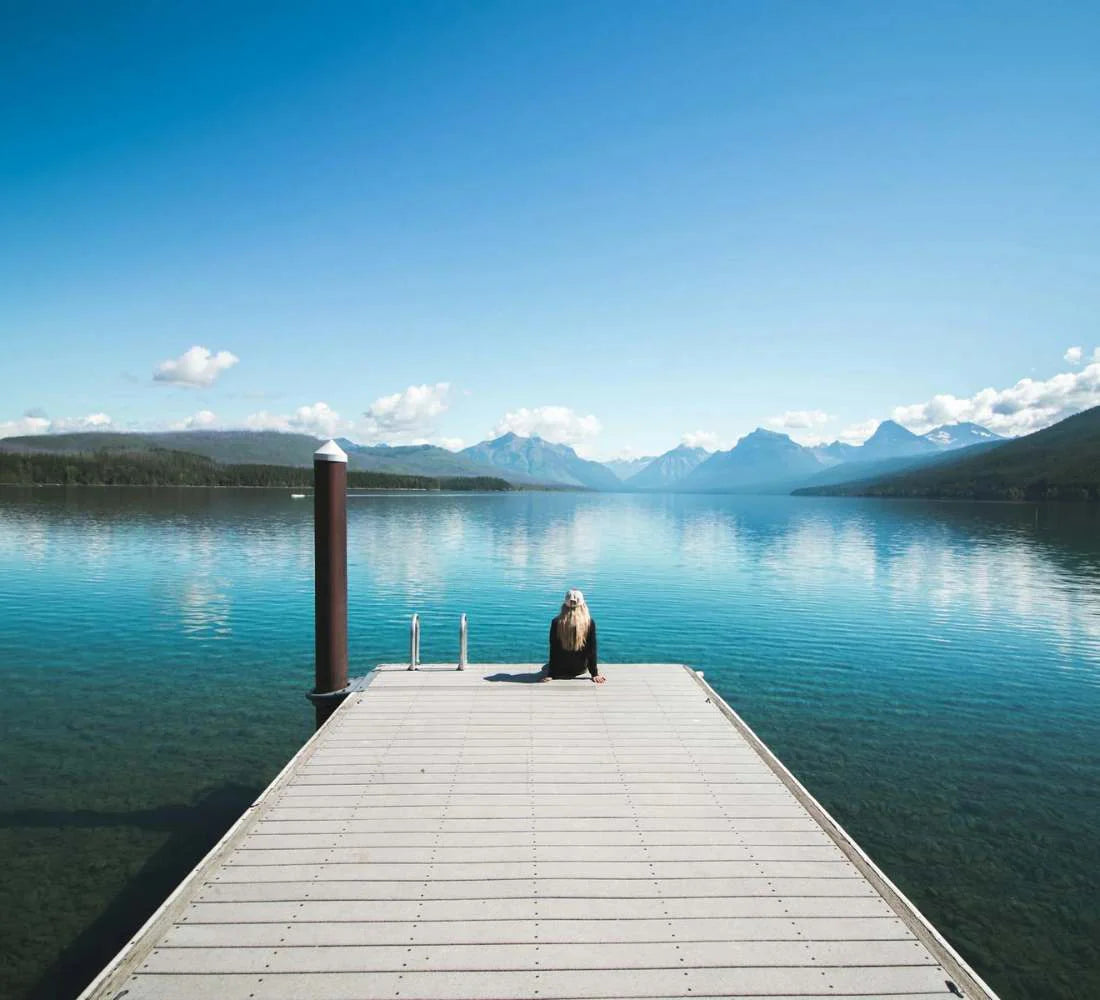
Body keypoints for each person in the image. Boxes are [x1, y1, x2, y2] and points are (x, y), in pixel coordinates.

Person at [543, 589, 605, 683]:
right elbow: (591, 650)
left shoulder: (556, 622)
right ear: (583, 604)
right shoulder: (589, 623)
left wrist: (551, 674)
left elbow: (553, 650)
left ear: (564, 604)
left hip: (560, 669)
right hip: (579, 669)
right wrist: (594, 674)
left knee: (545, 666)